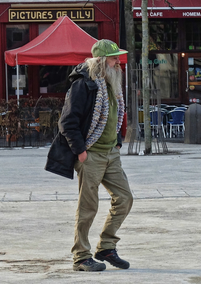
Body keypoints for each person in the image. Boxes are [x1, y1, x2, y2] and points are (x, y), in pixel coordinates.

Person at [45, 39, 133, 272]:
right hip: (91, 154)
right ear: (102, 61)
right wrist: (81, 151)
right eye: (114, 58)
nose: (118, 62)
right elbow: (67, 121)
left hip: (110, 153)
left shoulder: (112, 83)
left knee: (125, 198)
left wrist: (117, 143)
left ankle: (106, 246)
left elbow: (116, 117)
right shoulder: (84, 84)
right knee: (88, 207)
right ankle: (81, 256)